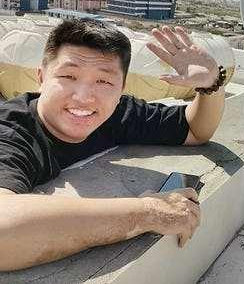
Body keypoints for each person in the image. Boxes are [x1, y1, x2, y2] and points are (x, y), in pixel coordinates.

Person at [0, 18, 226, 271]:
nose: (83, 97)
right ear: (41, 77)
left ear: (121, 89)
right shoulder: (11, 134)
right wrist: (148, 212)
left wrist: (211, 85)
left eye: (104, 81)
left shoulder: (116, 113)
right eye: (68, 76)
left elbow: (195, 130)